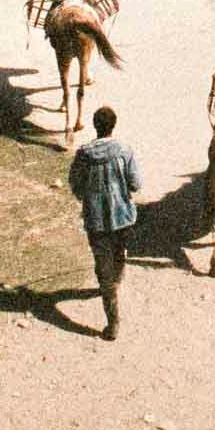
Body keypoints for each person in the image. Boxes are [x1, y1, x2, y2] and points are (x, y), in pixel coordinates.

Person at [66, 103, 141, 342]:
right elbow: (136, 184)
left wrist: (87, 198)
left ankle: (113, 321)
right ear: (113, 126)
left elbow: (75, 184)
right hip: (123, 217)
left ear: (95, 126)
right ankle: (116, 283)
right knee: (119, 254)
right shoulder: (124, 151)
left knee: (102, 268)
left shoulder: (84, 154)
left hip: (96, 219)